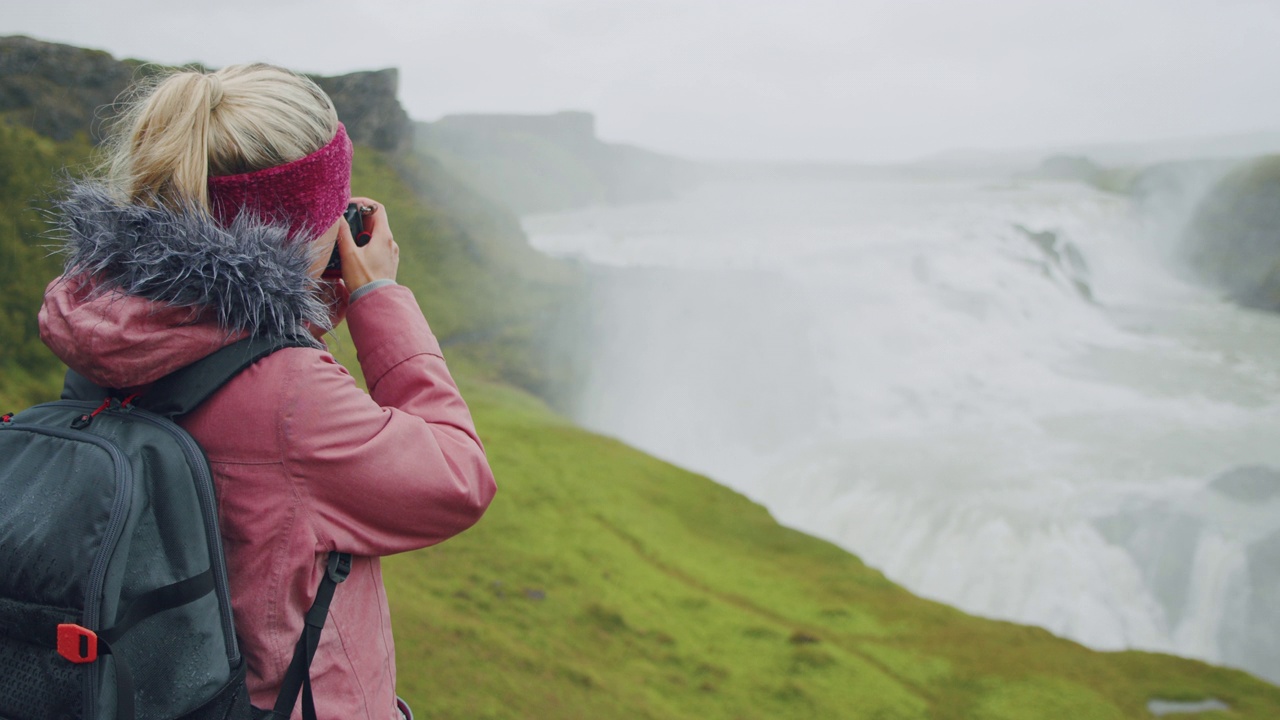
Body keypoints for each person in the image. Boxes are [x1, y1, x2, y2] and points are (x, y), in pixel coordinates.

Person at [37, 64, 497, 720]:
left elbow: (227, 383)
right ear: (312, 223)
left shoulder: (107, 325)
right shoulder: (292, 399)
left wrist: (297, 318)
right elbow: (459, 478)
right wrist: (377, 296)